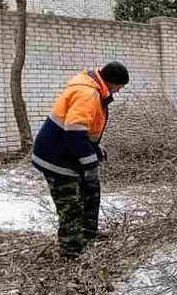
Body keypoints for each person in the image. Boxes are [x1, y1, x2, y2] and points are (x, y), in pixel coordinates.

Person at [32, 62, 129, 260]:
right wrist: (90, 164)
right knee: (71, 205)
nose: (118, 92)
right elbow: (75, 133)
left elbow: (85, 131)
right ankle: (72, 252)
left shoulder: (94, 90)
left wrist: (95, 150)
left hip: (68, 153)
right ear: (112, 82)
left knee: (91, 192)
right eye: (119, 88)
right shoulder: (88, 94)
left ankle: (88, 235)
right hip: (56, 158)